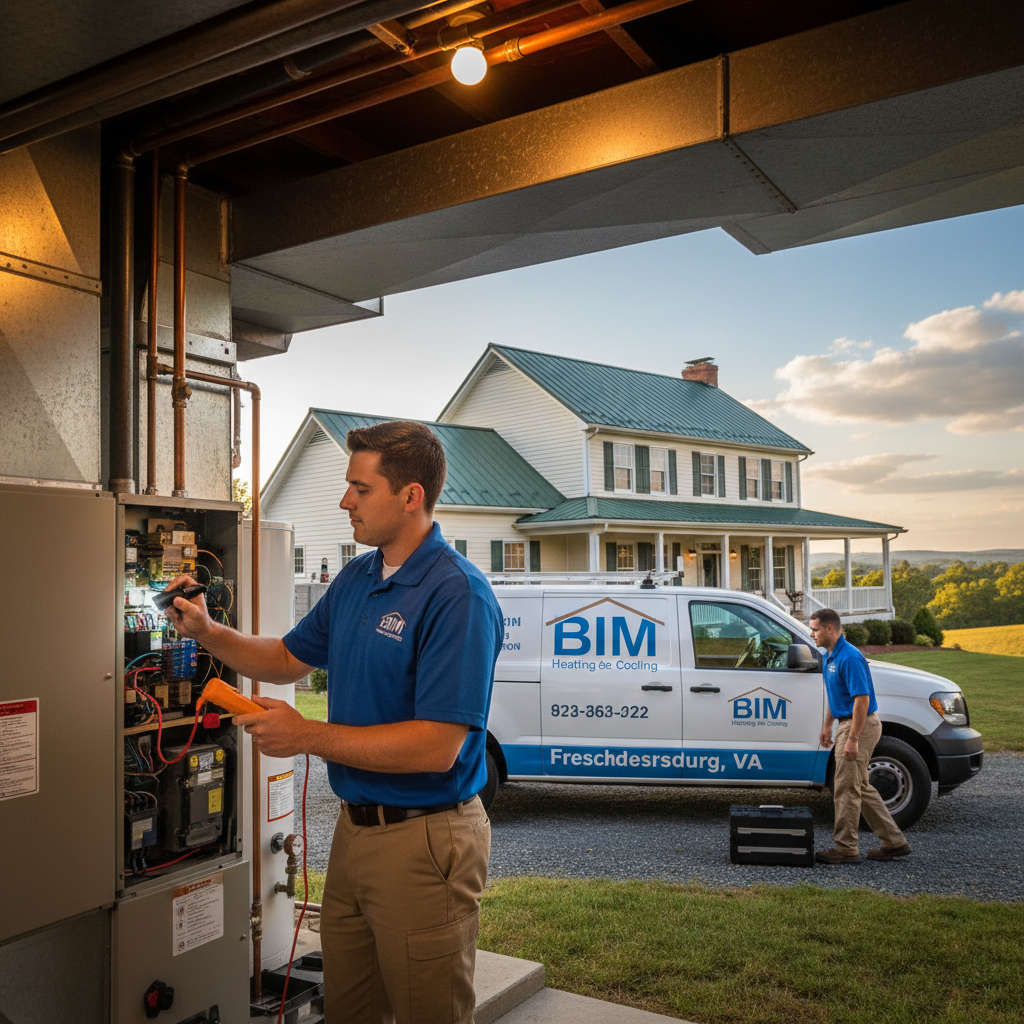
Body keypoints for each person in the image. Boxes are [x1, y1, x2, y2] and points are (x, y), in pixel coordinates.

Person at [165, 420, 503, 1024]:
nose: (344, 500)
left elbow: (438, 746)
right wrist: (209, 632)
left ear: (411, 496)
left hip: (425, 840)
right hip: (355, 835)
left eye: (359, 488)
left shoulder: (459, 595)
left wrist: (306, 737)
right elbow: (288, 658)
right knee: (350, 1009)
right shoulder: (359, 577)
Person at [809, 608, 911, 864]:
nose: (812, 634)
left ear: (830, 629)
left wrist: (853, 738)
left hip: (860, 726)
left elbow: (862, 700)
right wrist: (826, 726)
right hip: (848, 724)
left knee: (845, 787)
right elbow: (838, 697)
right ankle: (895, 842)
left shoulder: (850, 658)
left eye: (815, 629)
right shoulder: (831, 657)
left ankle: (845, 849)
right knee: (861, 787)